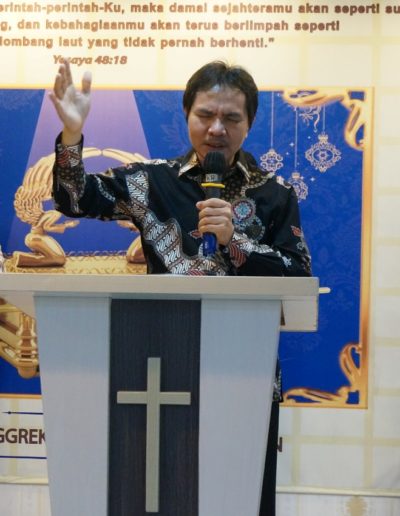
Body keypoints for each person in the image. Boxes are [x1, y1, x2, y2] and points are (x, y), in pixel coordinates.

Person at [50, 58, 311, 515]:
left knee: (241, 495)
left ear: (249, 124)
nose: (217, 129)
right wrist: (72, 135)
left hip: (245, 372)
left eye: (231, 118)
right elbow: (74, 199)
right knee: (159, 490)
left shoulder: (275, 194)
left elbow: (297, 275)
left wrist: (234, 241)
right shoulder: (151, 182)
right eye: (205, 115)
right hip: (158, 368)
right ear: (187, 114)